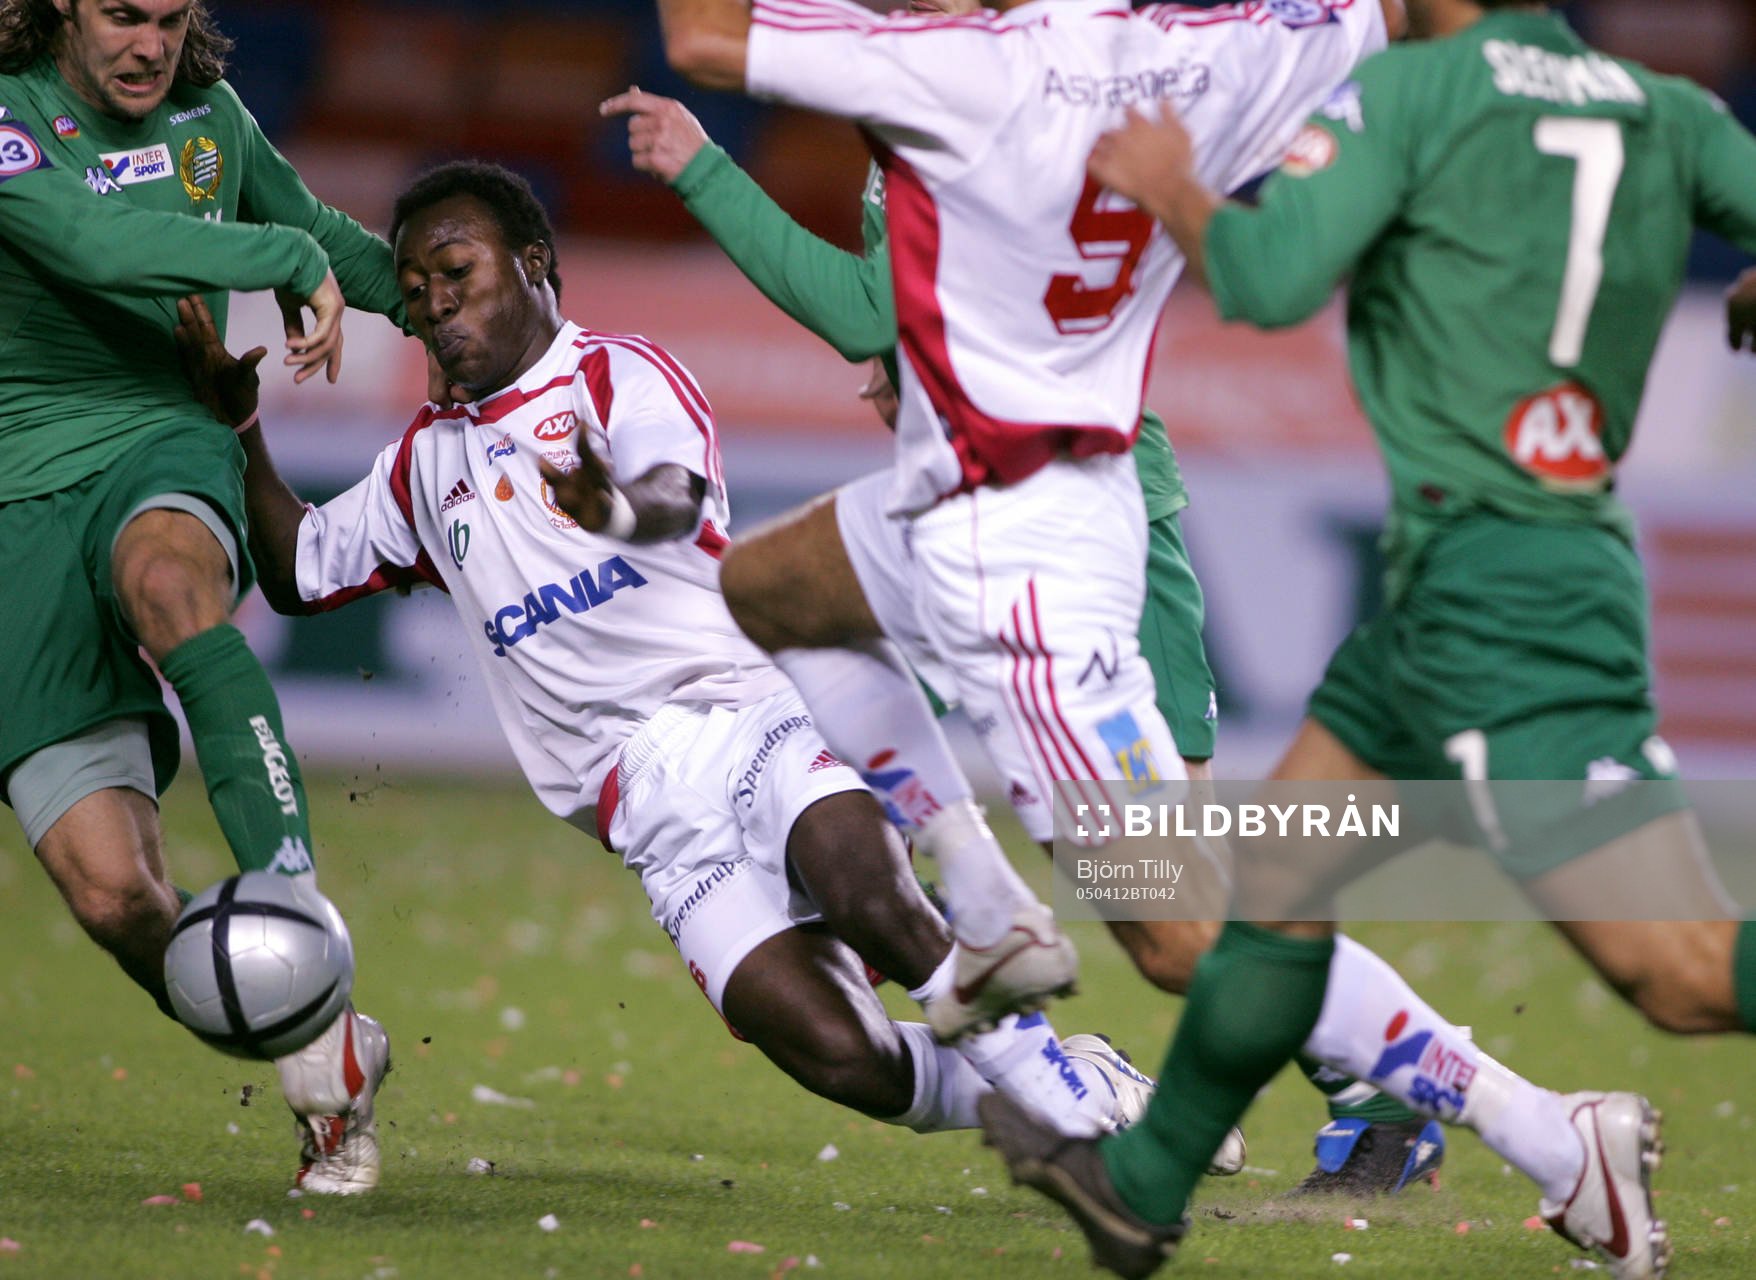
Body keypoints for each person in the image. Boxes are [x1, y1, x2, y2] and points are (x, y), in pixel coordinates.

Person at [980, 1, 1756, 1276]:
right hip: (1474, 583)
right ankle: (1139, 1184)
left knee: (1677, 971)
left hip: (1503, 603)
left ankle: (1156, 1173)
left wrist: (1175, 186)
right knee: (1277, 885)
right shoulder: (1664, 108)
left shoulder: (1414, 96)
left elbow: (1269, 279)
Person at [200, 157, 1187, 1151]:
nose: (435, 304)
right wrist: (238, 421)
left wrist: (617, 506)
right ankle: (1055, 1080)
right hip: (647, 807)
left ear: (535, 262)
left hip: (741, 706)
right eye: (413, 292)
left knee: (869, 876)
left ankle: (1086, 1112)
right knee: (834, 1049)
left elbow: (673, 488)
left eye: (457, 270)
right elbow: (298, 570)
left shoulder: (616, 374)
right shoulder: (422, 462)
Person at [601, 68, 1457, 1194]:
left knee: (1170, 897)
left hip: (1090, 537)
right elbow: (919, 308)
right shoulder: (936, 112)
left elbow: (873, 305)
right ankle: (1365, 1088)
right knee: (1165, 892)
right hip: (1015, 528)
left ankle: (1414, 1086)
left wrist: (704, 172)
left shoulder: (992, 102)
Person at [0, 0, 401, 1193]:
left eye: (172, 20)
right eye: (124, 16)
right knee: (117, 895)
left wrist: (491, 312)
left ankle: (290, 889)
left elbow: (333, 237)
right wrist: (282, 262)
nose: (150, 47)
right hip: (17, 501)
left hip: (161, 433)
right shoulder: (8, 121)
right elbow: (90, 243)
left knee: (173, 580)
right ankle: (319, 1039)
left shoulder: (209, 125)